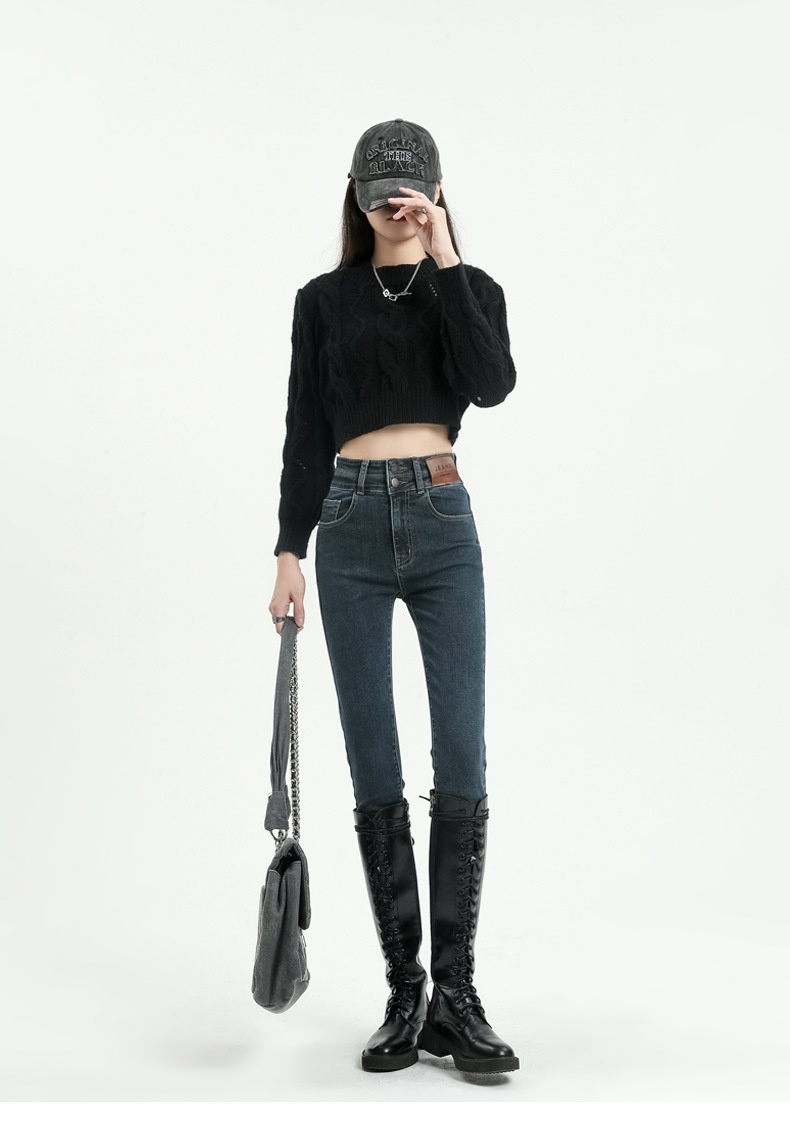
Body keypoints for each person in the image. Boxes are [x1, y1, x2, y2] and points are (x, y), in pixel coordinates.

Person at [268, 118, 519, 1075]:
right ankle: (405, 991)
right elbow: (304, 426)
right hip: (349, 526)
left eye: (412, 192)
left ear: (437, 194)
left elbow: (491, 385)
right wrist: (289, 549)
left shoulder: (469, 289)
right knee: (372, 752)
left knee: (463, 748)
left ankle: (458, 994)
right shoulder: (323, 300)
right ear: (357, 195)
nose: (395, 206)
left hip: (444, 519)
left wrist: (447, 256)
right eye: (380, 192)